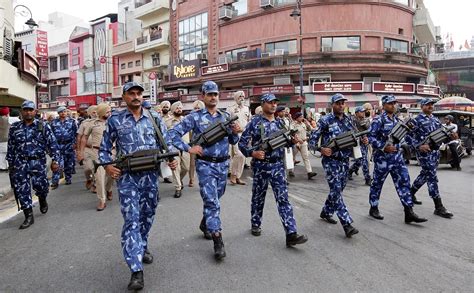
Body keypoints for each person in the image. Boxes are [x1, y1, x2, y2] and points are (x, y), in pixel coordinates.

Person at [99, 82, 178, 290]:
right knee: (132, 219)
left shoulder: (154, 118)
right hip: (127, 178)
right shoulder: (115, 120)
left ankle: (141, 245)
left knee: (147, 214)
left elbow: (166, 143)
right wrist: (107, 166)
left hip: (151, 177)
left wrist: (172, 158)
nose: (136, 97)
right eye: (131, 93)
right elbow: (105, 148)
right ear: (124, 97)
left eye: (139, 94)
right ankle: (136, 269)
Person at [169, 81, 240, 261]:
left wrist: (235, 132)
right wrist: (188, 148)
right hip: (206, 165)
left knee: (216, 196)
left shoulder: (225, 116)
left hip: (223, 165)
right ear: (203, 96)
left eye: (215, 94)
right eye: (209, 94)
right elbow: (172, 134)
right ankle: (218, 240)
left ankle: (205, 223)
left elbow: (232, 141)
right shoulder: (194, 117)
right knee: (212, 202)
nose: (213, 97)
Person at [239, 93, 308, 246]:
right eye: (270, 102)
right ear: (263, 104)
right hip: (261, 166)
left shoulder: (280, 124)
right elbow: (242, 143)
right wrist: (253, 153)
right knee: (258, 197)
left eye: (275, 103)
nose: (274, 105)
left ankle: (291, 233)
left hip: (277, 165)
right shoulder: (254, 123)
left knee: (283, 199)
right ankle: (255, 223)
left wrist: (292, 141)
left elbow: (286, 143)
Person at [368, 95, 427, 224]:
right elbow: (371, 138)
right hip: (382, 159)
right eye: (390, 103)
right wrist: (384, 147)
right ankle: (373, 207)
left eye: (394, 103)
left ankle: (408, 212)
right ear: (383, 106)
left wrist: (416, 144)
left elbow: (404, 137)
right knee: (377, 184)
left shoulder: (397, 121)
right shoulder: (378, 120)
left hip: (397, 159)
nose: (393, 106)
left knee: (404, 182)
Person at [309, 93, 361, 238]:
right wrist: (321, 149)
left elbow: (355, 135)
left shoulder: (349, 120)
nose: (341, 105)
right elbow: (312, 141)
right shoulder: (325, 120)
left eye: (343, 103)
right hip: (330, 161)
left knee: (338, 189)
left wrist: (363, 139)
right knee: (336, 190)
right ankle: (347, 224)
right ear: (332, 105)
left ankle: (326, 212)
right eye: (338, 103)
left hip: (345, 161)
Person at [6, 101, 60, 229]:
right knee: (22, 189)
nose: (28, 112)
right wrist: (11, 165)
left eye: (31, 110)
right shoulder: (14, 127)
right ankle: (28, 215)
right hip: (20, 162)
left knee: (41, 186)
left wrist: (55, 160)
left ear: (35, 111)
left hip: (37, 162)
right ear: (21, 111)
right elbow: (11, 147)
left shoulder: (42, 126)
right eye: (25, 110)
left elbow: (53, 144)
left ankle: (42, 198)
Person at [405, 98, 453, 218]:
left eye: (432, 104)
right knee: (432, 177)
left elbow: (441, 135)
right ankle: (439, 206)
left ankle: (410, 193)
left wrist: (450, 136)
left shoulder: (435, 120)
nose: (431, 106)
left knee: (425, 175)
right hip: (424, 154)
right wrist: (419, 145)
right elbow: (407, 137)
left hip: (435, 153)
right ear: (422, 106)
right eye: (428, 105)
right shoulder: (416, 121)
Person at [81, 103, 114, 211]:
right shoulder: (92, 124)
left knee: (111, 175)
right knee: (99, 177)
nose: (109, 113)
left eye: (110, 111)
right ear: (101, 112)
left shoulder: (113, 122)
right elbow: (84, 138)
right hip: (97, 152)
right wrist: (80, 152)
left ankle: (109, 189)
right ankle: (102, 200)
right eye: (107, 111)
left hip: (111, 152)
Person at [165, 101, 190, 198]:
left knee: (185, 168)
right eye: (177, 108)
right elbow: (164, 136)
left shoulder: (186, 120)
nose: (179, 109)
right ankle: (178, 187)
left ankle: (180, 179)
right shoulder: (167, 122)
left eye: (180, 108)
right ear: (173, 110)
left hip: (186, 147)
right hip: (173, 148)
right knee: (176, 167)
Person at [227, 90, 251, 185]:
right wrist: (233, 128)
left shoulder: (246, 108)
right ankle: (233, 175)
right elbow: (227, 121)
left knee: (243, 156)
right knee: (238, 154)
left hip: (245, 134)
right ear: (236, 98)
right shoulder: (231, 109)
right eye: (240, 96)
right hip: (236, 135)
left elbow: (249, 120)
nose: (242, 98)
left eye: (243, 96)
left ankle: (238, 177)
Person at [50, 106, 77, 188]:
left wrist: (75, 144)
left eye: (64, 111)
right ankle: (55, 181)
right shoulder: (53, 122)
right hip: (57, 146)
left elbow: (76, 133)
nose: (63, 113)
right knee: (57, 163)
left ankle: (68, 178)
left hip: (68, 145)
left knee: (68, 163)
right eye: (61, 112)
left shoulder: (72, 122)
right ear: (58, 113)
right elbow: (50, 134)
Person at [348, 106, 372, 185]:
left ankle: (350, 170)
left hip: (364, 143)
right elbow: (351, 131)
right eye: (361, 112)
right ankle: (367, 178)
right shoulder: (352, 121)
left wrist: (367, 139)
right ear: (357, 113)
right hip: (355, 143)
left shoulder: (365, 120)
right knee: (363, 160)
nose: (363, 113)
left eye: (364, 112)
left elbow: (370, 131)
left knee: (360, 160)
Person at [77, 106, 98, 191]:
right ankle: (89, 178)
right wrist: (79, 151)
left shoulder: (103, 122)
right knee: (88, 168)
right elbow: (79, 137)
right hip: (87, 148)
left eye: (97, 111)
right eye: (93, 112)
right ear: (89, 113)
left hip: (98, 149)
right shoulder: (84, 123)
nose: (95, 113)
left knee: (97, 168)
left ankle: (96, 185)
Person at [291, 112, 317, 180]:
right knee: (292, 157)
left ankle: (309, 172)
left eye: (302, 117)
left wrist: (308, 124)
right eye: (300, 117)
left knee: (306, 157)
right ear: (296, 118)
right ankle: (291, 171)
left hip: (304, 142)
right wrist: (297, 140)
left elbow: (311, 129)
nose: (302, 118)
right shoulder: (293, 124)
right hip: (296, 143)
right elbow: (292, 133)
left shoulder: (303, 124)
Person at [188, 100, 205, 187]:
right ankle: (191, 178)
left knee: (203, 163)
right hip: (193, 143)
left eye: (199, 108)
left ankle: (202, 180)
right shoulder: (190, 117)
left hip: (204, 143)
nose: (197, 109)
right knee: (192, 163)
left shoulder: (205, 117)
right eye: (195, 108)